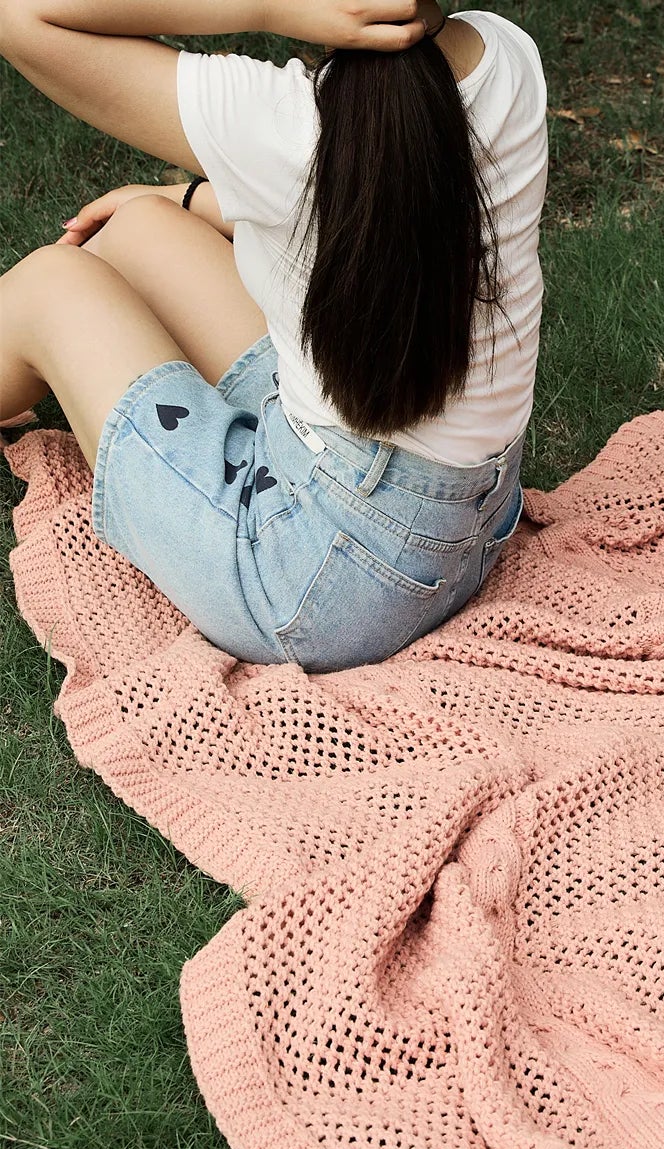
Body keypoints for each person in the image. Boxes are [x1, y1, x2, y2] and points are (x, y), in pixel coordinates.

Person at [0, 1, 547, 671]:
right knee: (141, 229)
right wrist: (175, 197)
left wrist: (271, 6)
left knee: (50, 285)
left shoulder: (281, 121)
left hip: (310, 586)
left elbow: (25, 16)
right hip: (462, 527)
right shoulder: (504, 54)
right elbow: (363, 205)